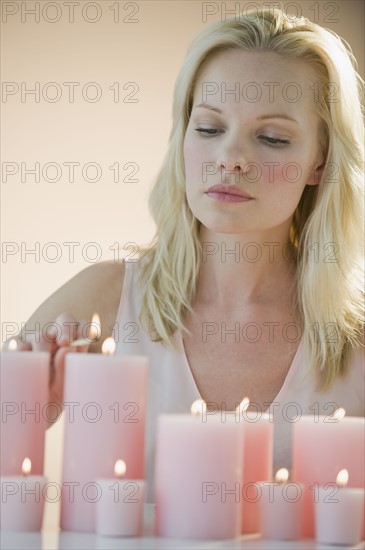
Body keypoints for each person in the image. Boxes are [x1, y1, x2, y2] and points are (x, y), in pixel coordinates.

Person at [5, 8, 364, 502]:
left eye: (272, 138)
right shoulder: (104, 301)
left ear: (319, 162)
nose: (229, 158)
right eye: (210, 128)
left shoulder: (355, 338)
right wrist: (26, 409)